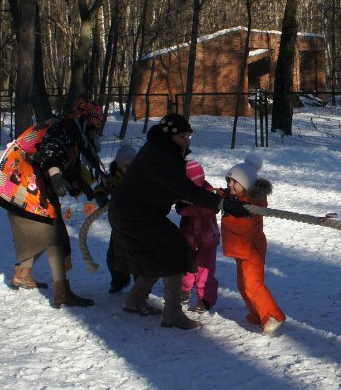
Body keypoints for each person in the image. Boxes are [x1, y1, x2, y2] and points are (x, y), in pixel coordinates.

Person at [107, 113, 249, 330]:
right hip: (134, 214)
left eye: (188, 135)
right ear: (169, 135)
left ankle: (135, 300)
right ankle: (172, 313)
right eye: (182, 136)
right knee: (176, 250)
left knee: (156, 254)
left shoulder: (163, 150)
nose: (187, 141)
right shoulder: (159, 156)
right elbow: (184, 188)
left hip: (136, 212)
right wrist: (221, 203)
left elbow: (178, 187)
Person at [0, 99, 106, 309]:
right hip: (21, 181)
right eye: (94, 126)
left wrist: (83, 185)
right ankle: (63, 292)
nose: (96, 131)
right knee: (54, 233)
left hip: (21, 180)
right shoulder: (62, 129)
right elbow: (51, 152)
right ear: (85, 121)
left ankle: (22, 274)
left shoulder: (71, 133)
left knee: (39, 231)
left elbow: (69, 164)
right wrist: (55, 176)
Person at [221, 156, 285, 333]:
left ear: (247, 184)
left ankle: (273, 315)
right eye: (229, 181)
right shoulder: (234, 198)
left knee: (253, 284)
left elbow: (242, 228)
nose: (230, 185)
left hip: (251, 250)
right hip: (240, 250)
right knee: (242, 285)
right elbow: (223, 195)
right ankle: (257, 313)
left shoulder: (252, 205)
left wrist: (227, 214)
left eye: (235, 182)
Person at [179, 157, 221, 312]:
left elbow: (203, 208)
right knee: (186, 264)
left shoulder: (208, 194)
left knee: (205, 270)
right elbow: (182, 208)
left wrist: (186, 207)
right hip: (188, 237)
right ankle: (185, 289)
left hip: (207, 240)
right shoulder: (184, 195)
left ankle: (206, 299)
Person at [104, 145, 137, 293]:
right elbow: (101, 188)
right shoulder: (112, 179)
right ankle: (118, 281)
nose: (129, 168)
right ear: (118, 166)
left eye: (132, 164)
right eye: (125, 165)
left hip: (139, 226)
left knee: (139, 258)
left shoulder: (142, 179)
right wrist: (100, 197)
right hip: (118, 225)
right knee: (114, 257)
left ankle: (141, 285)